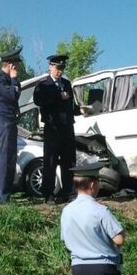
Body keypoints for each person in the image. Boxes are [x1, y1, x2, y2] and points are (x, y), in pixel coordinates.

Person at [60, 161, 126, 275]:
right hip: (103, 269)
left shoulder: (66, 211)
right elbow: (119, 239)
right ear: (92, 184)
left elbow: (65, 240)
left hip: (79, 270)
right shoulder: (100, 210)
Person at [33, 54, 80, 203]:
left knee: (69, 162)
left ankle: (69, 192)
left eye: (62, 68)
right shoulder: (43, 84)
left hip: (67, 128)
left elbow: (70, 104)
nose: (60, 71)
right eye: (58, 68)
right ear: (51, 67)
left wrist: (80, 110)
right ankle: (48, 194)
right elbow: (39, 101)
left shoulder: (66, 83)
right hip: (52, 128)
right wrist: (58, 96)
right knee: (50, 162)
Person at [0, 46, 22, 204]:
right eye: (17, 65)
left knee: (10, 159)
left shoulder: (6, 80)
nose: (18, 69)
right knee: (6, 159)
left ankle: (1, 194)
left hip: (10, 122)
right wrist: (15, 78)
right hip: (4, 121)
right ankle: (2, 196)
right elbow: (13, 95)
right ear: (11, 65)